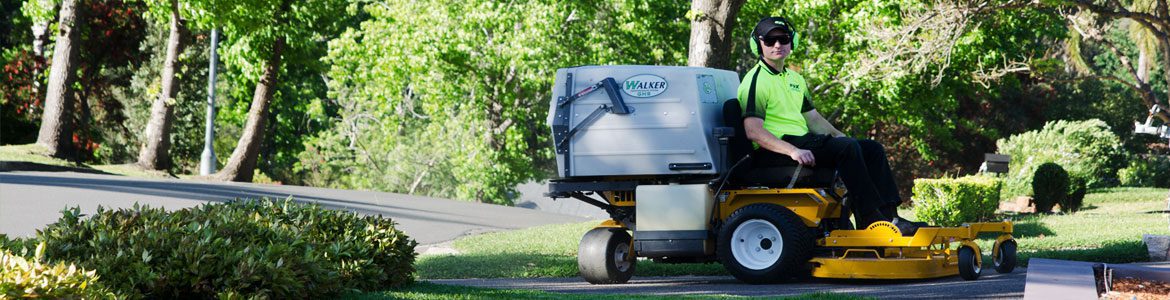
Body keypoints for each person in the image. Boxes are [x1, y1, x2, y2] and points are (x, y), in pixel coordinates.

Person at [737, 16, 916, 233]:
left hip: (803, 141)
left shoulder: (795, 79)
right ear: (758, 44)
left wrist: (843, 138)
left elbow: (813, 119)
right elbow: (753, 131)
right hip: (777, 149)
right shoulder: (755, 80)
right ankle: (870, 218)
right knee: (848, 148)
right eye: (770, 40)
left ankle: (890, 217)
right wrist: (793, 151)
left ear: (792, 42)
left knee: (871, 149)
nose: (777, 45)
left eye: (783, 39)